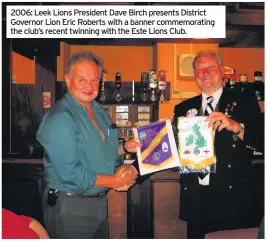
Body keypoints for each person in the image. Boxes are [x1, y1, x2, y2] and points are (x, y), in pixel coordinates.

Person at [36, 52, 141, 239]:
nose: (89, 86)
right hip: (70, 206)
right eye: (82, 79)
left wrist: (124, 148)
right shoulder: (60, 118)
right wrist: (116, 181)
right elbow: (71, 174)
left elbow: (102, 151)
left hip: (98, 202)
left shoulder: (98, 110)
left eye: (95, 80)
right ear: (68, 80)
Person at [173, 51, 261, 239]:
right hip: (197, 198)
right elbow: (172, 148)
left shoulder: (245, 100)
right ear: (194, 76)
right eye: (199, 69)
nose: (205, 72)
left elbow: (262, 138)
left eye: (210, 67)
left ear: (222, 71)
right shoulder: (182, 108)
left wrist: (237, 126)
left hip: (233, 198)